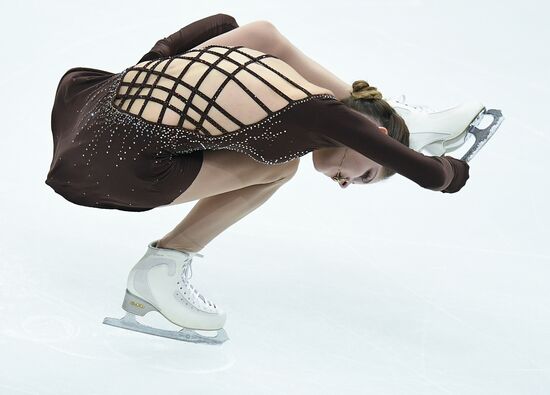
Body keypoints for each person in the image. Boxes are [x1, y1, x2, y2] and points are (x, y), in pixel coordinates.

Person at [47, 14, 475, 344]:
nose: (345, 183)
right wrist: (452, 170)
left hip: (85, 115)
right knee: (278, 166)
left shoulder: (274, 72)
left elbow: (265, 34)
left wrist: (370, 104)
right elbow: (432, 176)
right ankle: (161, 268)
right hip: (113, 171)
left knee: (234, 41)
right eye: (363, 176)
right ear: (377, 137)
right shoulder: (321, 115)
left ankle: (409, 120)